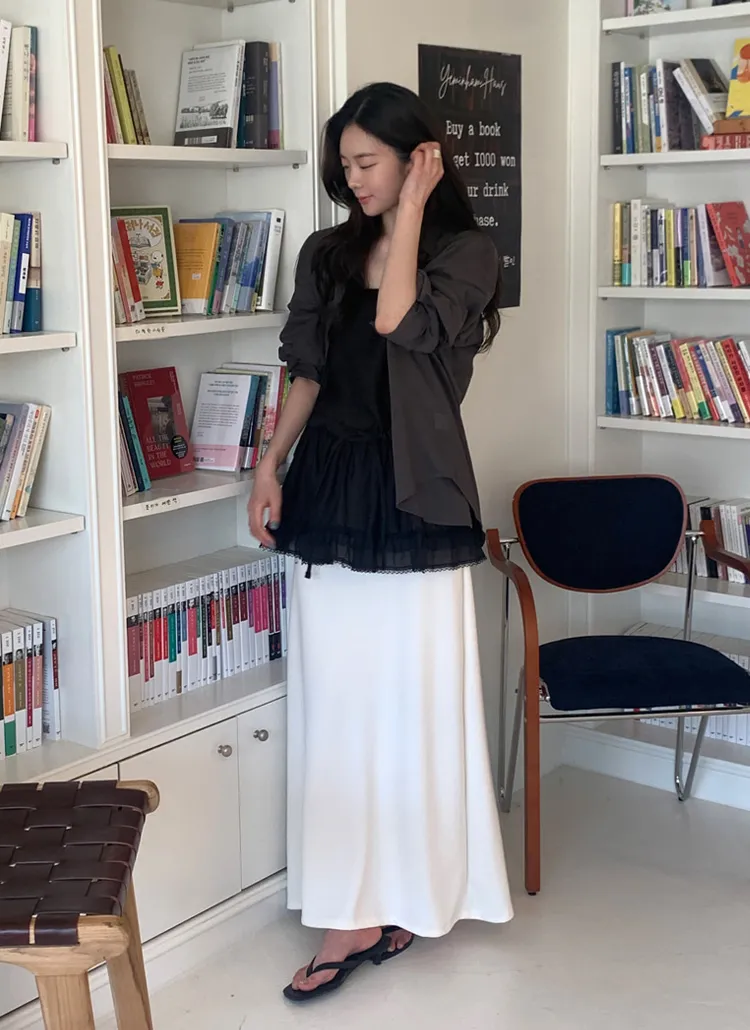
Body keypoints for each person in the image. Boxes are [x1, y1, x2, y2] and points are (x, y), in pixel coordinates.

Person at [248, 81, 513, 1003]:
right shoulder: (327, 254)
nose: (353, 179)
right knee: (339, 704)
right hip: (329, 488)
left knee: (416, 703)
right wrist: (270, 464)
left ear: (417, 158)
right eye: (346, 165)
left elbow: (401, 322)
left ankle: (414, 891)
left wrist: (410, 215)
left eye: (369, 162)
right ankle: (351, 903)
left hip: (416, 498)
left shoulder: (466, 252)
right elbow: (308, 373)